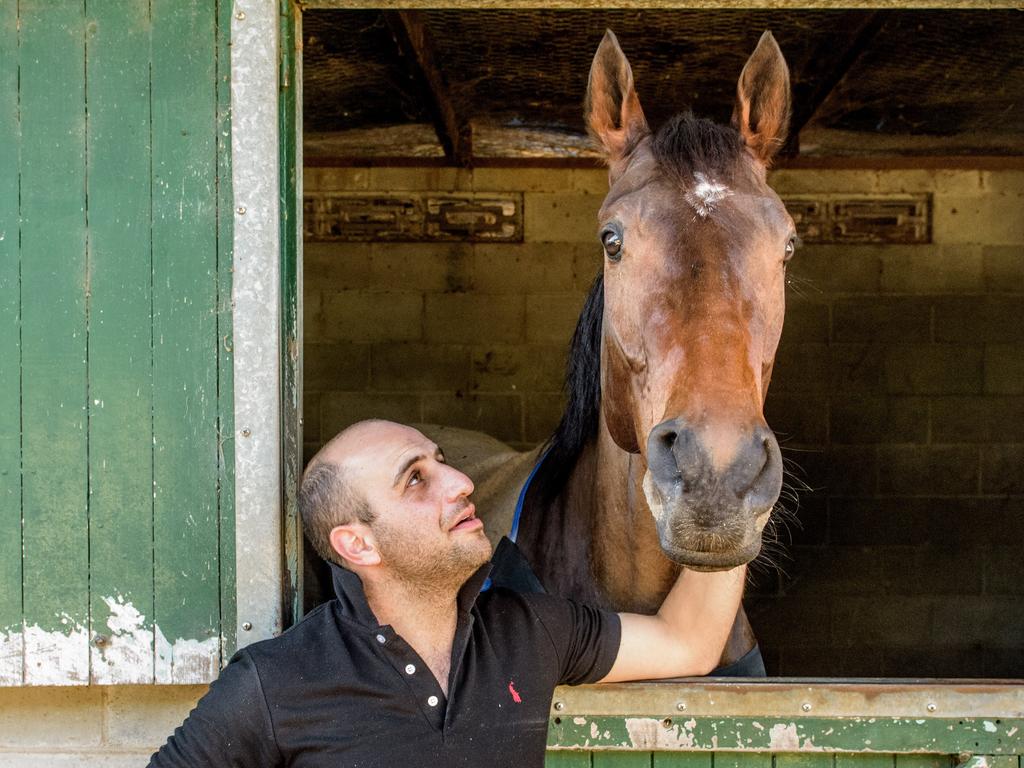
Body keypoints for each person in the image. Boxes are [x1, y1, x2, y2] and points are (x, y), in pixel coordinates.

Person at [149, 419, 746, 768]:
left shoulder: (528, 630)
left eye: (441, 462)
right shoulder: (274, 683)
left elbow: (686, 641)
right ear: (358, 546)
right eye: (416, 479)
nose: (461, 482)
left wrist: (730, 497)